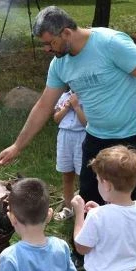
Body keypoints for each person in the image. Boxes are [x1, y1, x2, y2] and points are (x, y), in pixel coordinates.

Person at [0, 6, 136, 205]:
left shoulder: (110, 43)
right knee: (89, 204)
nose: (47, 49)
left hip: (130, 137)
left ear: (66, 32)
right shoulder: (59, 64)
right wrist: (17, 146)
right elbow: (44, 105)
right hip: (95, 138)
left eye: (50, 43)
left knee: (126, 205)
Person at [52, 88, 87, 221]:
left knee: (83, 175)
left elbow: (86, 123)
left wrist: (77, 106)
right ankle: (68, 208)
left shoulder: (89, 96)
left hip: (82, 136)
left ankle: (83, 210)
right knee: (67, 174)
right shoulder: (63, 96)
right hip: (64, 136)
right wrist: (66, 107)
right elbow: (56, 119)